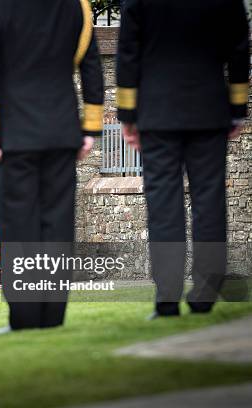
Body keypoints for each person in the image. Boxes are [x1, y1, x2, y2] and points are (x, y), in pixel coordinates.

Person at [0, 0, 104, 331]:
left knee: (20, 227)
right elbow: (91, 66)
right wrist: (90, 127)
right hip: (61, 129)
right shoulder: (77, 6)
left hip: (15, 132)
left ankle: (24, 315)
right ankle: (53, 315)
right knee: (57, 225)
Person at [117, 0, 249, 319]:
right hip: (209, 107)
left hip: (157, 110)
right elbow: (239, 46)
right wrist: (237, 107)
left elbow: (128, 51)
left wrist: (127, 114)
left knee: (163, 205)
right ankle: (205, 292)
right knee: (209, 201)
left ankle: (166, 297)